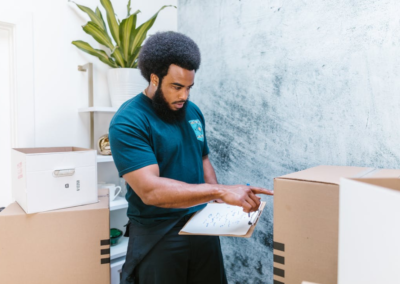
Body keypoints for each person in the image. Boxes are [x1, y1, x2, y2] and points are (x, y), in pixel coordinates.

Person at [109, 31, 273, 284]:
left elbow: (203, 159)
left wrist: (224, 206)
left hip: (202, 225)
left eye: (188, 87)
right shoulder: (128, 120)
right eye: (176, 87)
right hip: (158, 234)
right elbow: (150, 190)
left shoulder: (192, 111)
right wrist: (219, 191)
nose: (184, 96)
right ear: (154, 79)